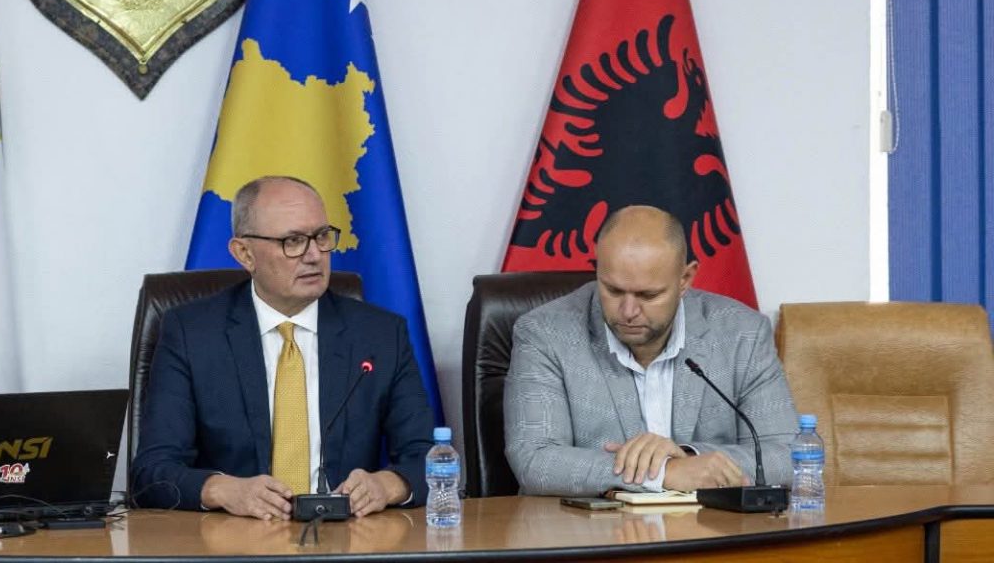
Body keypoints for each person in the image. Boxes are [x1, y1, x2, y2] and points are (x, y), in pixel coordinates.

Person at [131, 176, 433, 519]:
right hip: (236, 537)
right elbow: (152, 471)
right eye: (293, 241)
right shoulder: (192, 334)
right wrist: (224, 490)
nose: (314, 255)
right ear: (244, 253)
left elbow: (429, 457)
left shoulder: (380, 335)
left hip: (346, 536)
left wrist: (387, 485)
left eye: (322, 236)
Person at [503, 205, 798, 497]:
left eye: (648, 295)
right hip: (595, 527)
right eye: (613, 290)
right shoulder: (545, 334)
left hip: (708, 525)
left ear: (685, 279)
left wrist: (689, 457)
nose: (628, 311)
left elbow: (787, 455)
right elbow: (534, 460)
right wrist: (665, 472)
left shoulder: (742, 334)